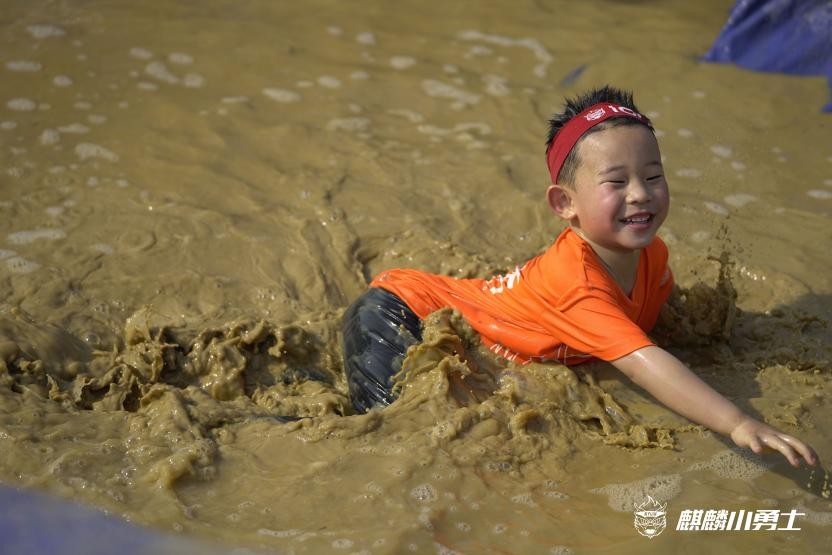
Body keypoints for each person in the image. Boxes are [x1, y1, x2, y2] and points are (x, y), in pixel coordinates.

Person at [341, 85, 819, 468]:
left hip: (439, 307)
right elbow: (643, 362)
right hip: (396, 312)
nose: (640, 195)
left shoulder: (652, 253)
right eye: (616, 182)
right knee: (408, 443)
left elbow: (662, 331)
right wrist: (736, 422)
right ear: (564, 204)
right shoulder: (579, 283)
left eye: (653, 177)